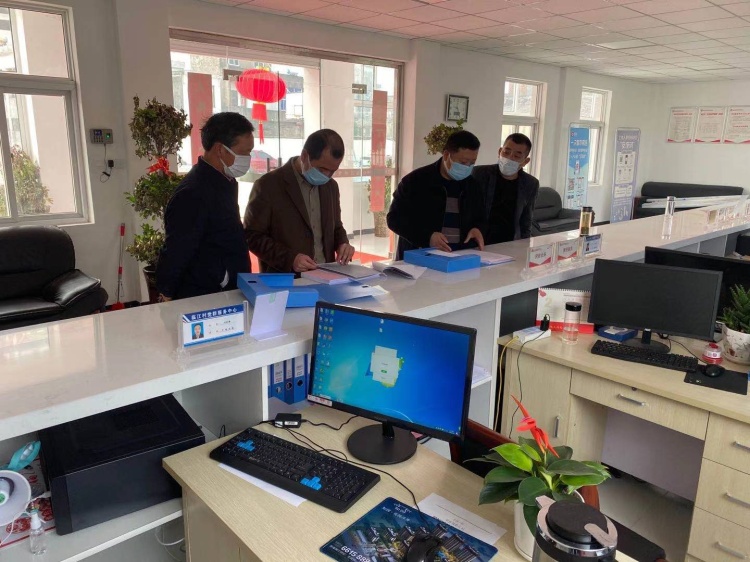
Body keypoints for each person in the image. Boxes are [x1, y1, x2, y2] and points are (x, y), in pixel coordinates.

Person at [156, 112, 253, 301]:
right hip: (205, 294)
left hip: (231, 288)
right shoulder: (193, 192)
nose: (248, 158)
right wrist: (166, 291)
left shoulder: (226, 181)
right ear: (220, 149)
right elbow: (178, 248)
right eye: (244, 153)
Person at [243, 129, 354, 273]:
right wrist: (290, 259)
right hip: (286, 278)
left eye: (333, 171)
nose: (327, 175)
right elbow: (252, 235)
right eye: (322, 169)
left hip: (326, 275)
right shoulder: (268, 185)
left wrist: (343, 243)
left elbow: (336, 226)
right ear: (304, 156)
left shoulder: (331, 186)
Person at [387, 130, 485, 260]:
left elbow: (480, 217)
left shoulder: (472, 185)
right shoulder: (415, 181)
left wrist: (477, 228)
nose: (467, 167)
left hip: (460, 257)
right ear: (446, 155)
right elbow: (394, 219)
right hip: (419, 258)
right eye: (463, 162)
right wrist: (427, 237)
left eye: (472, 163)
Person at [473, 133, 539, 245]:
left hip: (510, 243)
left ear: (525, 161)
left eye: (517, 156)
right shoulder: (479, 174)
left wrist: (524, 245)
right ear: (499, 152)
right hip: (479, 240)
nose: (509, 158)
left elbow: (526, 220)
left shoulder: (531, 183)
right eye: (506, 152)